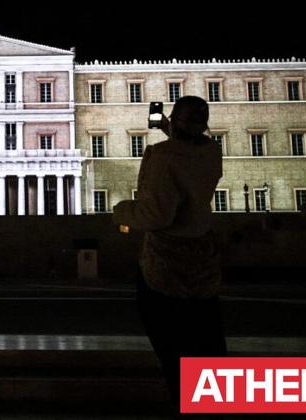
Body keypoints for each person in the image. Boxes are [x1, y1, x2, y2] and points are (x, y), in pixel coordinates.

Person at [112, 96, 226, 408]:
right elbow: (189, 154)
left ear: (174, 120)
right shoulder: (211, 152)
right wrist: (171, 130)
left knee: (173, 347)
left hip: (167, 263)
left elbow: (157, 216)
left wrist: (121, 212)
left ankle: (189, 403)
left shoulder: (162, 157)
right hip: (203, 258)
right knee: (205, 336)